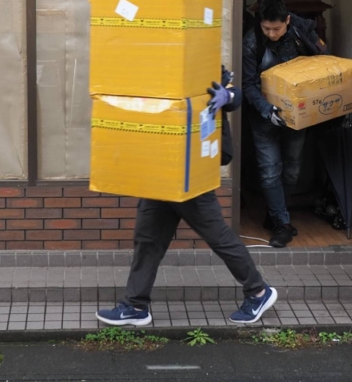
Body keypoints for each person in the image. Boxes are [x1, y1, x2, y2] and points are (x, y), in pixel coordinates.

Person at [96, 67, 278, 327]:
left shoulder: (196, 59)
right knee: (147, 239)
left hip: (190, 175)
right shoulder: (158, 66)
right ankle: (135, 306)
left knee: (219, 238)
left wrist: (226, 97)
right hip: (161, 172)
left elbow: (234, 93)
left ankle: (259, 292)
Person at [243, 0, 327, 249]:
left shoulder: (301, 32)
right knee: (269, 172)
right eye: (266, 28)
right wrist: (267, 110)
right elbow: (248, 84)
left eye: (277, 28)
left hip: (296, 114)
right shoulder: (251, 43)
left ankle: (275, 212)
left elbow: (321, 63)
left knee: (292, 169)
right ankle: (282, 224)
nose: (271, 34)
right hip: (263, 116)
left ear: (287, 21)